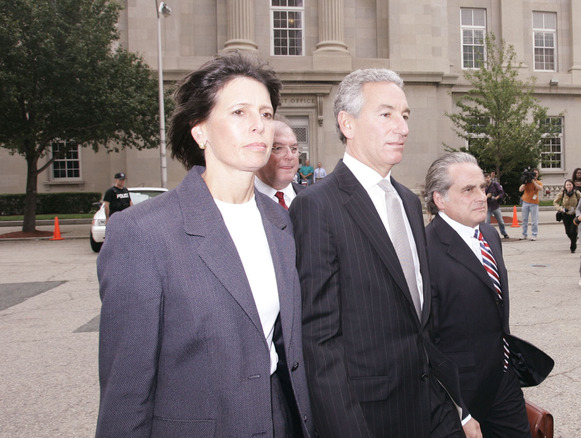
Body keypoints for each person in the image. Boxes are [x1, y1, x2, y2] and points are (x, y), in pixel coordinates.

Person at [95, 52, 315, 437]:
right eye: (239, 112)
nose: (258, 125)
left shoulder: (279, 221)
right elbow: (125, 392)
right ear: (200, 132)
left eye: (265, 114)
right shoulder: (143, 232)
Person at [289, 69, 469, 438]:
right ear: (347, 124)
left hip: (433, 406)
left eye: (405, 115)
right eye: (386, 114)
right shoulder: (317, 206)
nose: (402, 128)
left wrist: (459, 408)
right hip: (371, 417)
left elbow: (420, 317)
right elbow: (319, 342)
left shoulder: (407, 201)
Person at [425, 152, 532, 438]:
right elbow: (426, 340)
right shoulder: (424, 251)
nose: (482, 197)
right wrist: (459, 410)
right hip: (461, 393)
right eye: (468, 190)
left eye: (482, 188)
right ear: (440, 199)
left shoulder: (489, 235)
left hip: (503, 380)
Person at [255, 118, 305, 209]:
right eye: (278, 148)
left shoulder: (314, 198)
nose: (290, 156)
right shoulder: (238, 202)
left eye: (294, 148)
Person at [553, 179, 581, 253]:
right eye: (567, 185)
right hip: (565, 215)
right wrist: (560, 209)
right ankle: (573, 239)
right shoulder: (562, 193)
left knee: (573, 230)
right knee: (568, 231)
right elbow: (555, 202)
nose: (569, 186)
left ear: (573, 185)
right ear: (565, 186)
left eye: (570, 185)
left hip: (574, 214)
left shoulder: (576, 193)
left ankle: (573, 245)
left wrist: (579, 209)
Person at [518, 168, 542, 240]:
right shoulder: (527, 182)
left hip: (534, 203)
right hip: (525, 202)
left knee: (534, 220)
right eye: (534, 173)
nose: (535, 175)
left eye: (536, 173)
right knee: (524, 220)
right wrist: (525, 182)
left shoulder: (538, 182)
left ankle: (534, 234)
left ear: (538, 175)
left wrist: (533, 181)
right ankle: (524, 234)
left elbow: (540, 188)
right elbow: (520, 189)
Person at [485, 171, 510, 239]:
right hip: (488, 206)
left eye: (488, 177)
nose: (487, 179)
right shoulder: (483, 187)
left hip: (495, 206)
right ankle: (486, 235)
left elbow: (501, 192)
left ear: (490, 178)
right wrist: (487, 196)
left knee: (500, 221)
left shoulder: (495, 184)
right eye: (485, 178)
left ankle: (504, 233)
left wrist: (497, 197)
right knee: (487, 222)